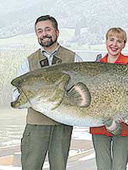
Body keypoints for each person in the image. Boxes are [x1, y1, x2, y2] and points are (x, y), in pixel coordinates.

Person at [12, 15, 83, 170]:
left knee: (59, 167)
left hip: (62, 125)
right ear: (37, 35)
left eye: (47, 29)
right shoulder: (29, 61)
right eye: (39, 31)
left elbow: (83, 89)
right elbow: (15, 95)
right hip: (36, 124)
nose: (44, 34)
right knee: (30, 166)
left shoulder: (73, 58)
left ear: (57, 32)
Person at [89, 27, 128, 170]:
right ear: (106, 41)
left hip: (123, 123)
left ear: (124, 44)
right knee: (102, 166)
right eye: (111, 40)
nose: (114, 44)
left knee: (119, 165)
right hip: (99, 122)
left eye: (119, 41)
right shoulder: (96, 64)